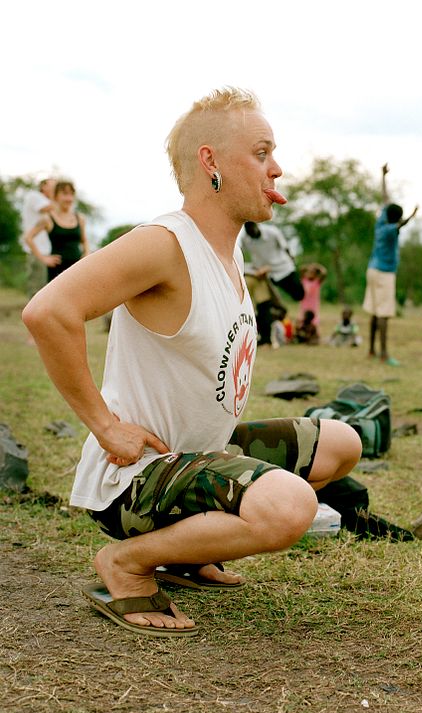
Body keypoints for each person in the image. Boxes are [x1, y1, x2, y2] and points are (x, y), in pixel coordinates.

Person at [22, 87, 362, 636]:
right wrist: (105, 426)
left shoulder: (228, 250)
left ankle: (186, 554)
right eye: (261, 153)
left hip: (200, 454)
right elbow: (49, 312)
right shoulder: (164, 243)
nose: (277, 169)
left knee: (342, 443)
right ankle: (128, 564)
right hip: (136, 478)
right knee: (289, 506)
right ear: (211, 162)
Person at [362, 163, 417, 366]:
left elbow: (385, 199)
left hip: (372, 269)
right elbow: (402, 225)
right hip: (385, 273)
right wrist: (413, 215)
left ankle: (371, 350)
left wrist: (383, 176)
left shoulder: (381, 221)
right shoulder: (391, 229)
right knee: (384, 313)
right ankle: (384, 353)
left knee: (375, 311)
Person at [239, 220, 303, 345]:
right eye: (249, 233)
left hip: (282, 269)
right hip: (264, 275)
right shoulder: (245, 239)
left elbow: (286, 248)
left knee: (299, 294)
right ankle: (266, 332)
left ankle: (277, 312)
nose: (252, 235)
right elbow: (239, 254)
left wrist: (292, 262)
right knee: (267, 306)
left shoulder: (272, 232)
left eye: (253, 232)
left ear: (257, 226)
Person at [24, 180, 91, 283]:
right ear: (55, 197)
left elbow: (84, 240)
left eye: (71, 194)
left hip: (77, 269)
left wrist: (86, 254)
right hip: (56, 272)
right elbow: (28, 238)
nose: (69, 198)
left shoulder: (80, 218)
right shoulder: (48, 219)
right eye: (64, 194)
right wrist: (43, 258)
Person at [21, 178, 56, 298]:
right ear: (43, 186)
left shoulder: (43, 202)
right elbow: (48, 208)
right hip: (36, 252)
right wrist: (57, 198)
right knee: (37, 293)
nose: (56, 187)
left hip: (42, 252)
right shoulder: (34, 196)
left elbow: (49, 226)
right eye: (53, 184)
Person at [298, 262, 327, 328]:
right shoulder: (303, 280)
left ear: (315, 274)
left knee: (314, 320)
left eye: (312, 272)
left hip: (313, 305)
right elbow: (300, 269)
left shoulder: (317, 282)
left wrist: (317, 266)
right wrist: (309, 267)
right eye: (308, 272)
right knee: (303, 319)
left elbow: (324, 272)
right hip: (304, 304)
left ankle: (313, 333)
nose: (310, 273)